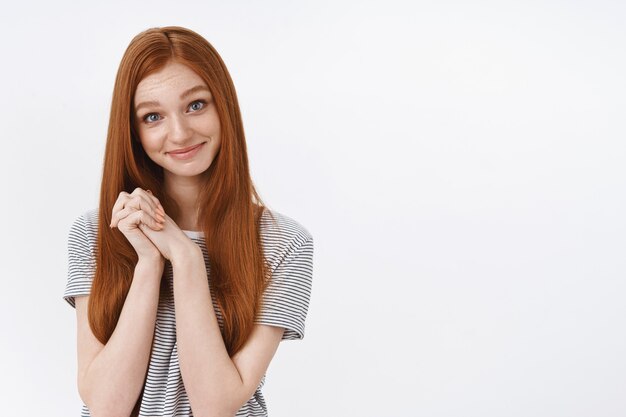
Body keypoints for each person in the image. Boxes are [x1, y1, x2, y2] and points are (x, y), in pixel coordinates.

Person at [62, 26, 314, 417]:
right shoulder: (98, 232)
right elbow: (105, 406)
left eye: (196, 105)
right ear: (132, 132)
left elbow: (216, 406)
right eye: (152, 116)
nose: (179, 133)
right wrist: (148, 263)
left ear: (223, 106)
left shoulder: (283, 243)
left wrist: (185, 256)